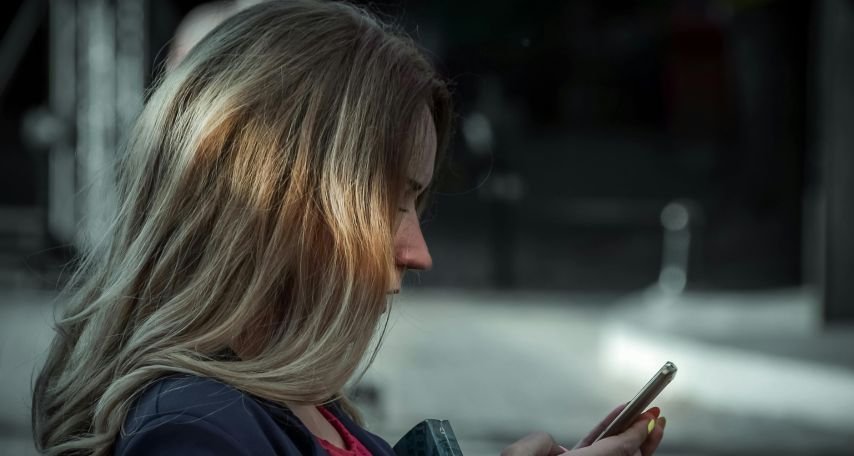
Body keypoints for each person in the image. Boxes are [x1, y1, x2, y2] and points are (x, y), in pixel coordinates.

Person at [31, 1, 666, 455]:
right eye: (392, 203)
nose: (418, 253)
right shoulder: (197, 432)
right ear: (278, 202)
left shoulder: (285, 400)